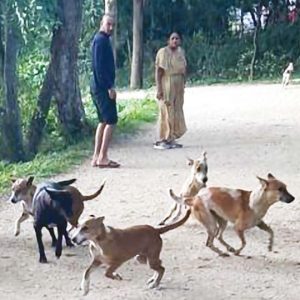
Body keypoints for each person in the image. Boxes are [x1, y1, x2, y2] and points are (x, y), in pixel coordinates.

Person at [90, 14, 120, 168]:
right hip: (101, 87)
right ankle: (103, 156)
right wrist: (109, 86)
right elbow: (99, 67)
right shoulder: (100, 41)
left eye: (112, 24)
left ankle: (97, 156)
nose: (111, 27)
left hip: (98, 86)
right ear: (101, 23)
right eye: (108, 24)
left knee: (103, 121)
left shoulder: (101, 40)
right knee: (111, 121)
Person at [154, 32, 187, 150]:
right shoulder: (163, 52)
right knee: (167, 110)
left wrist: (184, 83)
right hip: (167, 82)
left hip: (179, 84)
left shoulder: (180, 52)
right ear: (168, 41)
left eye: (177, 38)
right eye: (172, 38)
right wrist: (159, 89)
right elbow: (159, 72)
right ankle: (164, 138)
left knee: (177, 110)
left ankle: (172, 137)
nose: (175, 41)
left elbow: (184, 69)